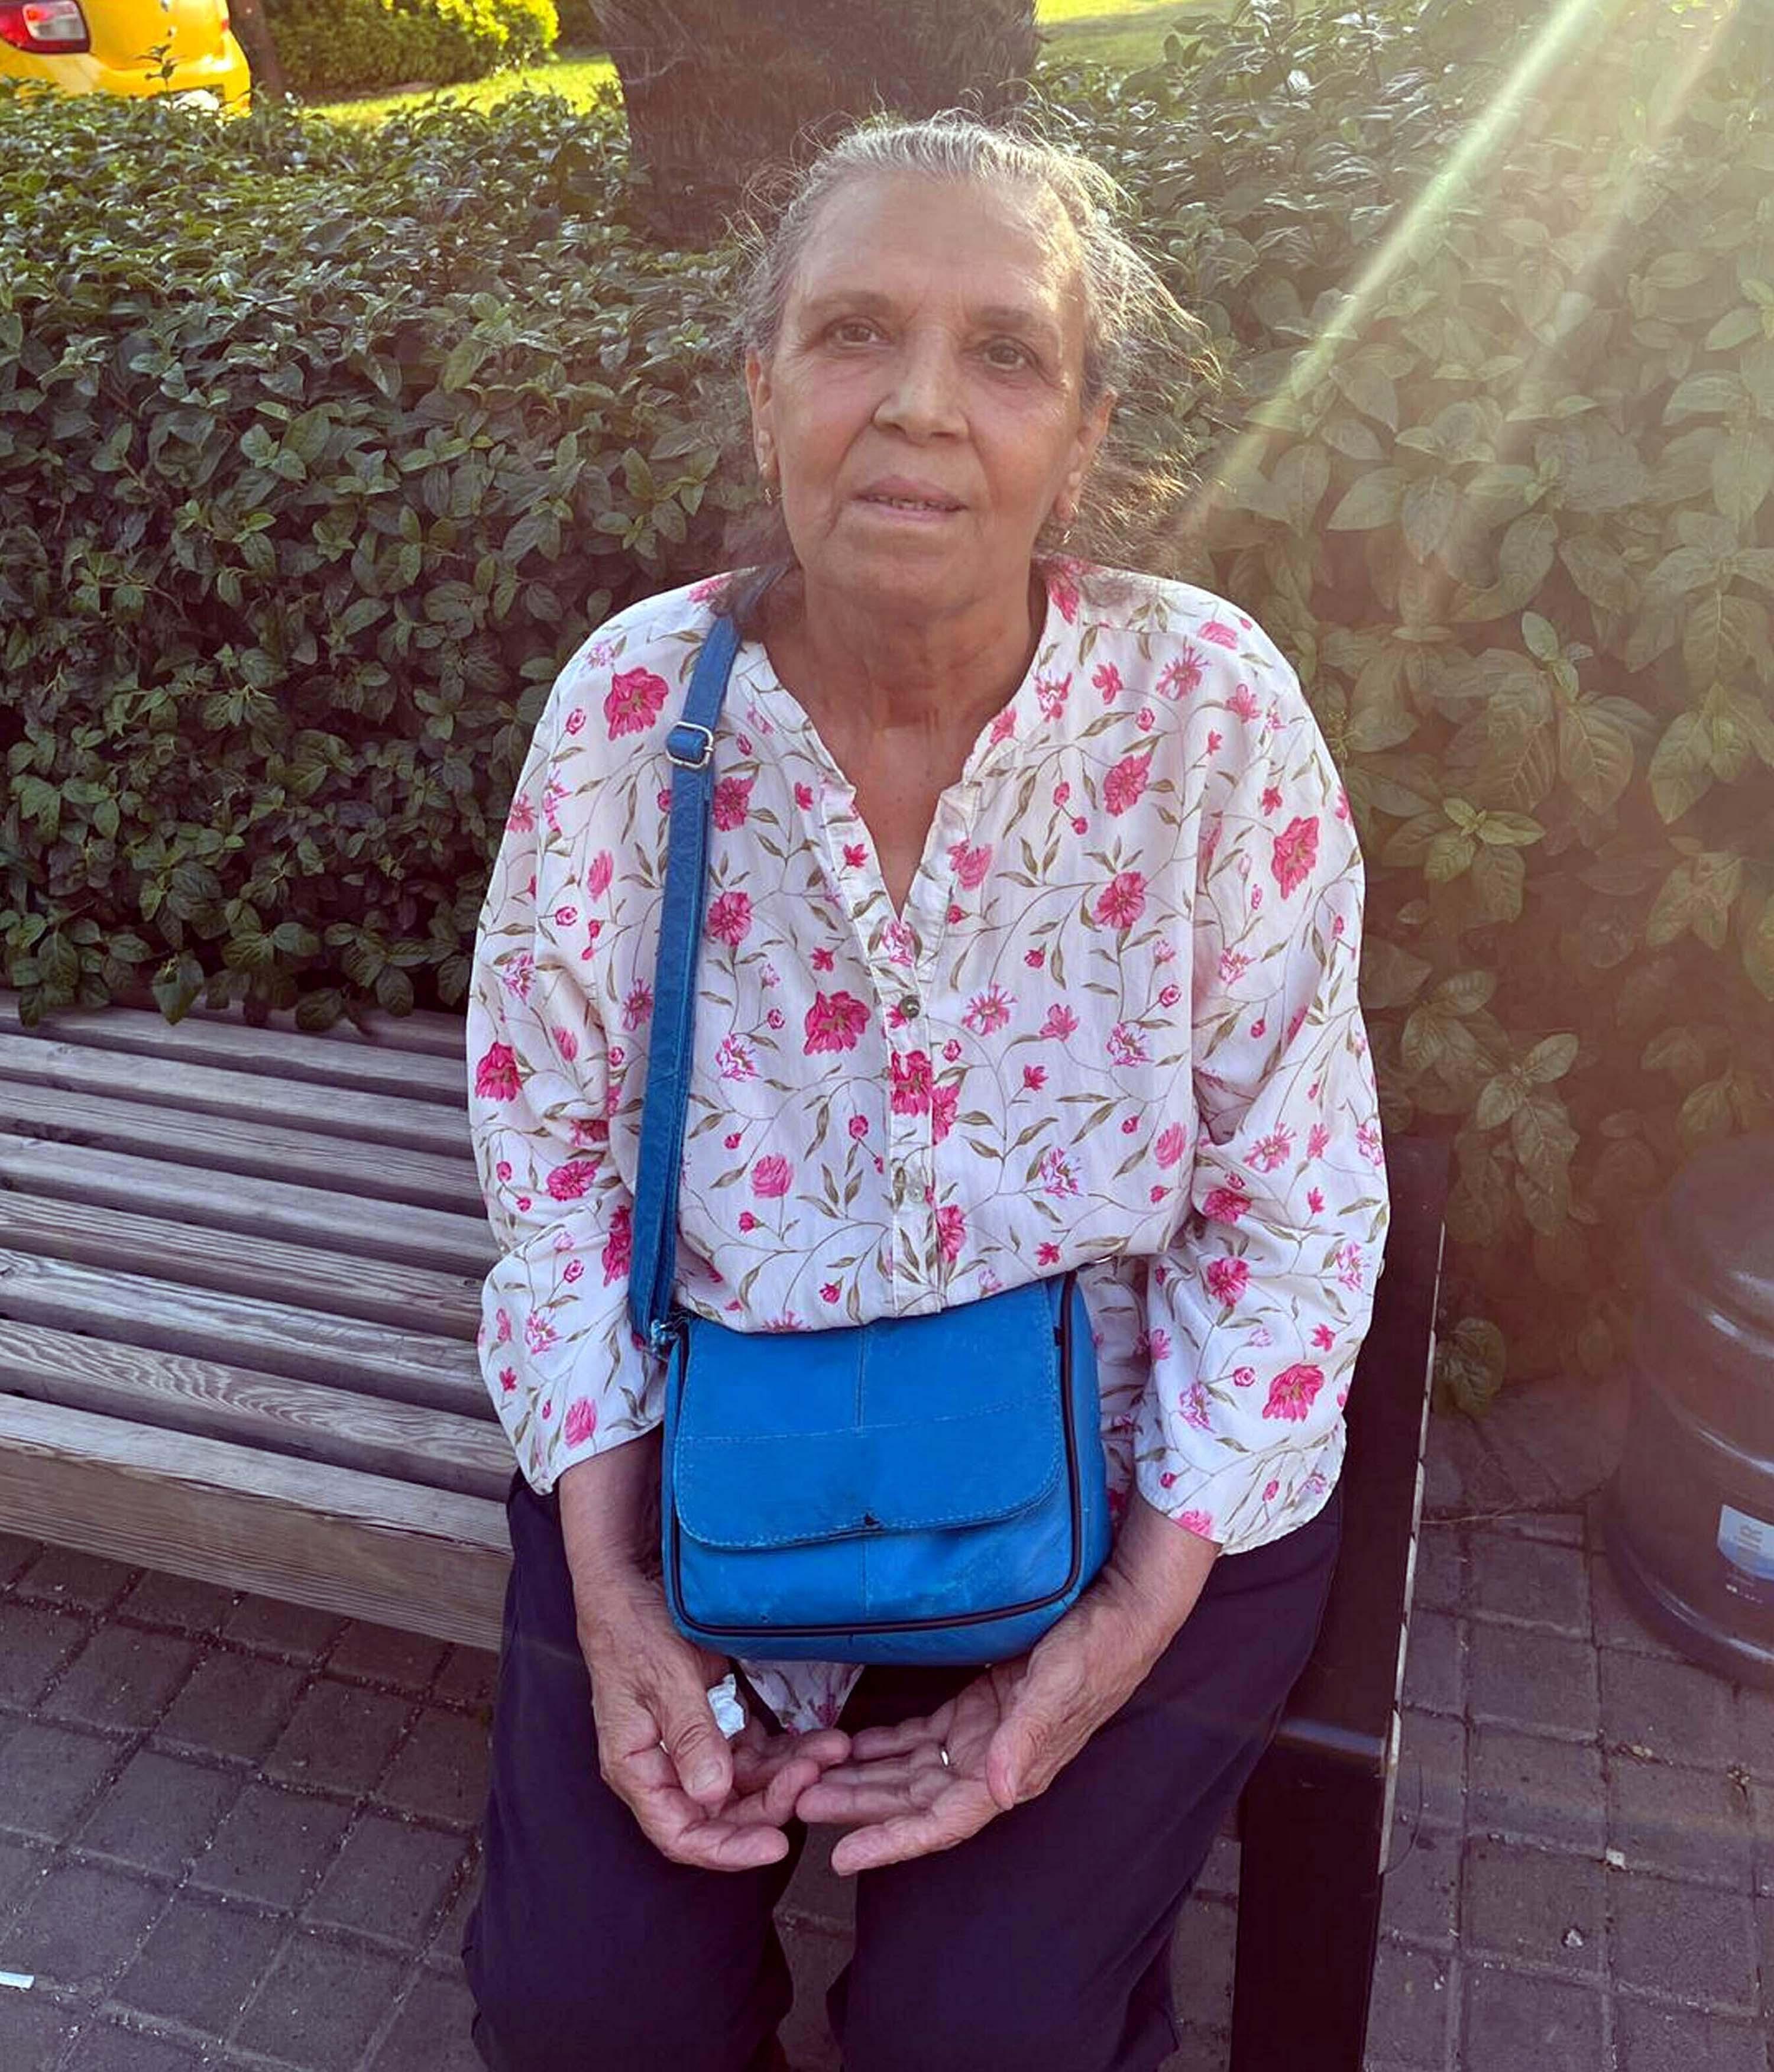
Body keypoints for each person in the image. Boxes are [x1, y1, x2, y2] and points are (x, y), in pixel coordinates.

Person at [462, 115, 1388, 2072]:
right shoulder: (635, 715)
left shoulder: (1209, 713)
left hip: (1128, 1478)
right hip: (712, 1457)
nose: (921, 408)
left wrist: (1110, 1640)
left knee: (985, 2033)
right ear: (764, 389)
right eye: (856, 332)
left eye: (1007, 353)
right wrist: (615, 1591)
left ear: (1085, 433)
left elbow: (1294, 1208)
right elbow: (552, 1170)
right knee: (587, 2017)